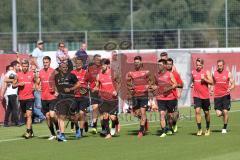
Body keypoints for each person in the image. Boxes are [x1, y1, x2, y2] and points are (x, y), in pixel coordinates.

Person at [126, 56, 151, 138]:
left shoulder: (146, 72)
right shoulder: (131, 73)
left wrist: (149, 86)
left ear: (141, 62)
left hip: (144, 95)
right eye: (135, 62)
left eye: (138, 62)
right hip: (135, 95)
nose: (136, 63)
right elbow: (128, 82)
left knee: (143, 112)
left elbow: (152, 81)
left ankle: (141, 131)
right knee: (136, 113)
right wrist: (130, 88)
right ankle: (145, 121)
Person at [54, 62, 80, 142]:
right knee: (61, 116)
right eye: (63, 67)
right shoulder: (56, 76)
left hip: (70, 99)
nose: (65, 68)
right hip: (61, 99)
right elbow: (55, 85)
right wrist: (56, 91)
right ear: (59, 68)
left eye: (66, 67)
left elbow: (78, 84)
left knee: (72, 117)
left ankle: (77, 127)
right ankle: (62, 134)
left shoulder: (71, 75)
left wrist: (71, 89)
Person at [151, 59, 177, 138]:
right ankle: (163, 131)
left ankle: (170, 126)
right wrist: (153, 87)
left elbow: (175, 84)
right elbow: (154, 85)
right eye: (158, 65)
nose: (159, 66)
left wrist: (168, 89)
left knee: (170, 116)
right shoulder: (156, 75)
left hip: (170, 98)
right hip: (160, 98)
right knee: (162, 114)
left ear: (165, 66)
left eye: (161, 65)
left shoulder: (170, 74)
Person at [95, 58, 120, 139]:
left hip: (113, 98)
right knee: (105, 116)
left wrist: (116, 91)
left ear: (107, 65)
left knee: (113, 117)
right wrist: (96, 88)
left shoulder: (113, 73)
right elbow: (97, 85)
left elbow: (119, 82)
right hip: (104, 99)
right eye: (101, 66)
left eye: (103, 65)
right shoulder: (99, 75)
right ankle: (108, 134)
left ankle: (116, 123)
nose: (102, 67)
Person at [37, 56, 59, 140]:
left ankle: (58, 129)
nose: (45, 64)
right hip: (43, 98)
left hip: (52, 97)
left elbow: (59, 83)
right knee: (47, 117)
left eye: (46, 62)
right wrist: (38, 86)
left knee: (52, 114)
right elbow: (38, 82)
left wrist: (57, 91)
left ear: (50, 62)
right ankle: (52, 134)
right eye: (44, 62)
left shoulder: (54, 72)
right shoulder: (40, 72)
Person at [12, 59, 35, 139]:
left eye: (26, 66)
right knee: (25, 116)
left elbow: (36, 82)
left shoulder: (32, 74)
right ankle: (31, 131)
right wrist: (18, 84)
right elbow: (13, 85)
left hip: (30, 98)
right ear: (21, 66)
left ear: (28, 66)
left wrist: (35, 86)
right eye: (24, 66)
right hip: (22, 98)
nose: (25, 68)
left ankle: (28, 132)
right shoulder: (17, 75)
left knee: (29, 115)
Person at [212, 59, 235, 134]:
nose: (219, 67)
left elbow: (233, 84)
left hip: (225, 95)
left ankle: (224, 128)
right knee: (218, 114)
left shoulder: (228, 73)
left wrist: (230, 88)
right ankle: (225, 115)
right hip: (217, 96)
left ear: (223, 65)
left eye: (221, 65)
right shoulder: (214, 73)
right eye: (218, 65)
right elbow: (213, 83)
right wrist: (211, 90)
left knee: (225, 111)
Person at [191, 58, 213, 136]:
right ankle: (199, 129)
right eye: (197, 65)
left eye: (200, 65)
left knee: (206, 113)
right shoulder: (193, 72)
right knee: (197, 111)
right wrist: (192, 84)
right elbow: (193, 80)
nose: (198, 66)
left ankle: (207, 128)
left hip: (205, 96)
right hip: (196, 96)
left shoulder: (206, 72)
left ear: (202, 65)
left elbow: (211, 82)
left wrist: (205, 79)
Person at [71, 58, 90, 137]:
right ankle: (80, 126)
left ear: (82, 64)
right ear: (75, 64)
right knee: (74, 116)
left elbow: (92, 84)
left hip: (84, 97)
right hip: (74, 97)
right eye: (77, 63)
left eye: (80, 63)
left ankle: (80, 132)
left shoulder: (86, 73)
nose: (78, 64)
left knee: (81, 113)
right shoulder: (72, 73)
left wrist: (86, 90)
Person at [166, 58, 184, 133]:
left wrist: (178, 89)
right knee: (167, 114)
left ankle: (174, 123)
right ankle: (169, 129)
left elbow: (181, 84)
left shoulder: (176, 74)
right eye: (167, 64)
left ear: (172, 65)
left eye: (170, 64)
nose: (168, 65)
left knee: (174, 115)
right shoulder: (162, 73)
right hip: (165, 97)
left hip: (173, 96)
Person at [86, 54, 102, 134]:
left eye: (100, 59)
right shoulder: (90, 68)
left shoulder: (103, 68)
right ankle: (94, 126)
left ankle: (104, 125)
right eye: (97, 59)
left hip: (102, 91)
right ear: (94, 60)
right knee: (95, 108)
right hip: (93, 91)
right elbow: (86, 78)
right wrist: (87, 86)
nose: (98, 61)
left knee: (102, 108)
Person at [2, 61, 21, 126]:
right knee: (15, 108)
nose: (19, 67)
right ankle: (17, 122)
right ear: (14, 66)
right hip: (12, 93)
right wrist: (13, 80)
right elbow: (5, 79)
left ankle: (5, 123)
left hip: (12, 93)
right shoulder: (12, 72)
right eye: (18, 66)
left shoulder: (14, 73)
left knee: (9, 109)